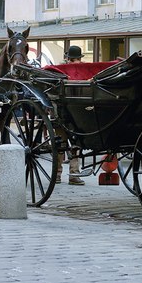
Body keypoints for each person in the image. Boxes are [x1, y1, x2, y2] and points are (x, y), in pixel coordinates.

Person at [56, 45, 85, 185]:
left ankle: (58, 174)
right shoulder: (83, 70)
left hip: (64, 113)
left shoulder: (60, 71)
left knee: (61, 145)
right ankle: (73, 174)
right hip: (75, 113)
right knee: (73, 144)